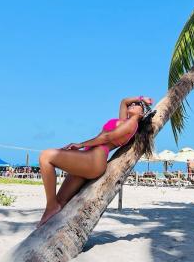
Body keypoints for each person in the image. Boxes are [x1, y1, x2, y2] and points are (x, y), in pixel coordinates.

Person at [38, 96, 154, 226]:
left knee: (45, 156)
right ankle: (47, 226)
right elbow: (124, 101)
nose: (132, 104)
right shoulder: (123, 120)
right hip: (87, 158)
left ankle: (50, 205)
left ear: (142, 113)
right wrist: (141, 98)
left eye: (137, 104)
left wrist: (81, 144)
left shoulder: (132, 123)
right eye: (132, 103)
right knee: (61, 201)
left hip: (94, 160)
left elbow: (107, 137)